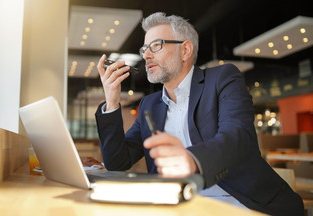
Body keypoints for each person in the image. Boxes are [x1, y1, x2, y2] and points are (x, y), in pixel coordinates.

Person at [95, 12, 304, 215]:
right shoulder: (150, 104)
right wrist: (112, 102)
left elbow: (238, 136)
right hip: (182, 207)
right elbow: (117, 162)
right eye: (145, 49)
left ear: (185, 50)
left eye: (156, 46)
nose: (146, 55)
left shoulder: (222, 79)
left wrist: (192, 160)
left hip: (242, 205)